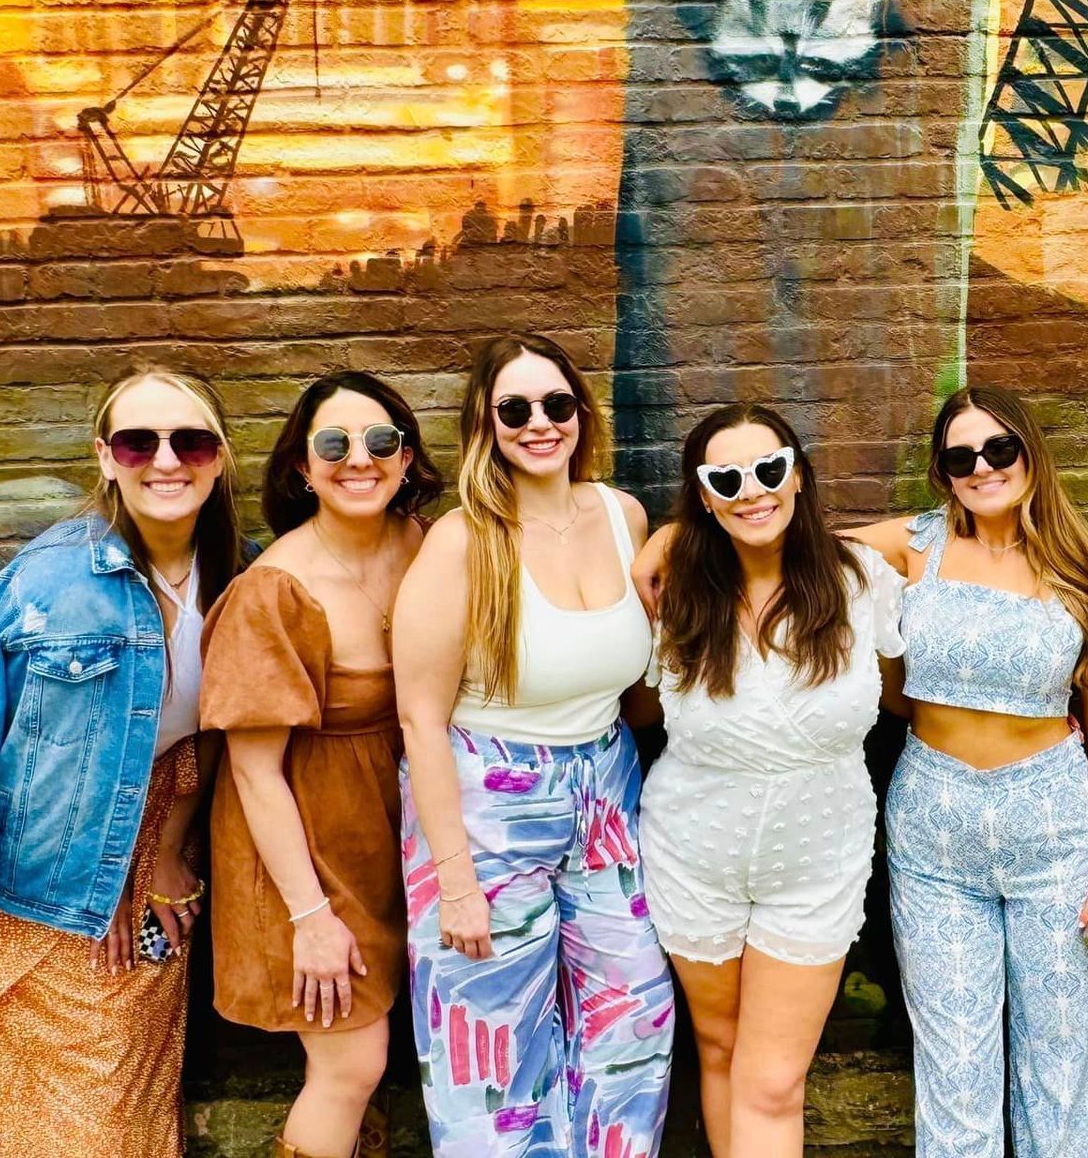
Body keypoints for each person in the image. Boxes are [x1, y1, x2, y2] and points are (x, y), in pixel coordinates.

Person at [0, 367, 247, 1157]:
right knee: (52, 1112)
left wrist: (165, 851)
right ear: (106, 458)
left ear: (219, 458)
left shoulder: (243, 577)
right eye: (136, 441)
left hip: (159, 870)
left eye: (189, 440)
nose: (165, 460)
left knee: (129, 1100)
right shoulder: (48, 582)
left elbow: (212, 731)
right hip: (44, 889)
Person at [392, 333, 673, 1157]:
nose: (539, 423)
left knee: (635, 1011)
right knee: (493, 1044)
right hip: (488, 797)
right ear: (487, 423)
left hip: (606, 779)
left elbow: (642, 674)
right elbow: (420, 717)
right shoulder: (462, 540)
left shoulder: (623, 517)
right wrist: (455, 882)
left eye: (556, 403)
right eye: (515, 409)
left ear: (581, 412)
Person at [845, 384, 1088, 1158]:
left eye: (999, 448)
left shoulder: (1085, 564)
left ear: (1029, 451)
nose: (983, 466)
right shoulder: (916, 544)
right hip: (934, 828)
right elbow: (791, 541)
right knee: (955, 1069)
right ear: (943, 471)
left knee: (1063, 1066)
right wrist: (675, 541)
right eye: (961, 456)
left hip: (1053, 826)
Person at [632, 403, 906, 1157]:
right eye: (726, 478)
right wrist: (669, 539)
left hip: (816, 862)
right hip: (693, 852)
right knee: (718, 1051)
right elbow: (640, 705)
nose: (751, 490)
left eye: (769, 469)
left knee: (774, 1080)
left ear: (798, 474)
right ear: (703, 494)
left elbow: (946, 524)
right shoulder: (675, 593)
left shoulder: (858, 579)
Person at [200, 372, 443, 1158]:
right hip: (302, 851)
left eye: (380, 442)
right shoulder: (275, 589)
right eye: (333, 444)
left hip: (390, 835)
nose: (359, 461)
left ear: (406, 457)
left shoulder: (427, 546)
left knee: (371, 1062)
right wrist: (309, 918)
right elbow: (254, 770)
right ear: (303, 468)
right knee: (353, 1061)